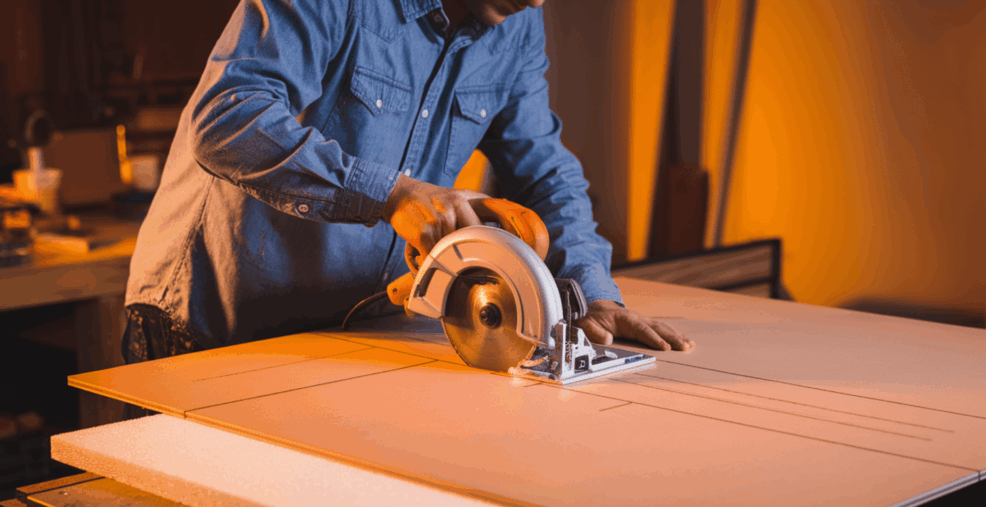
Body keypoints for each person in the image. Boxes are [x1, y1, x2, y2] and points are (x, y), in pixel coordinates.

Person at [122, 0, 694, 364]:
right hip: (209, 328)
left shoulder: (517, 26)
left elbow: (544, 168)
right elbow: (226, 117)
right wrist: (390, 194)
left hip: (350, 334)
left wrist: (592, 293)